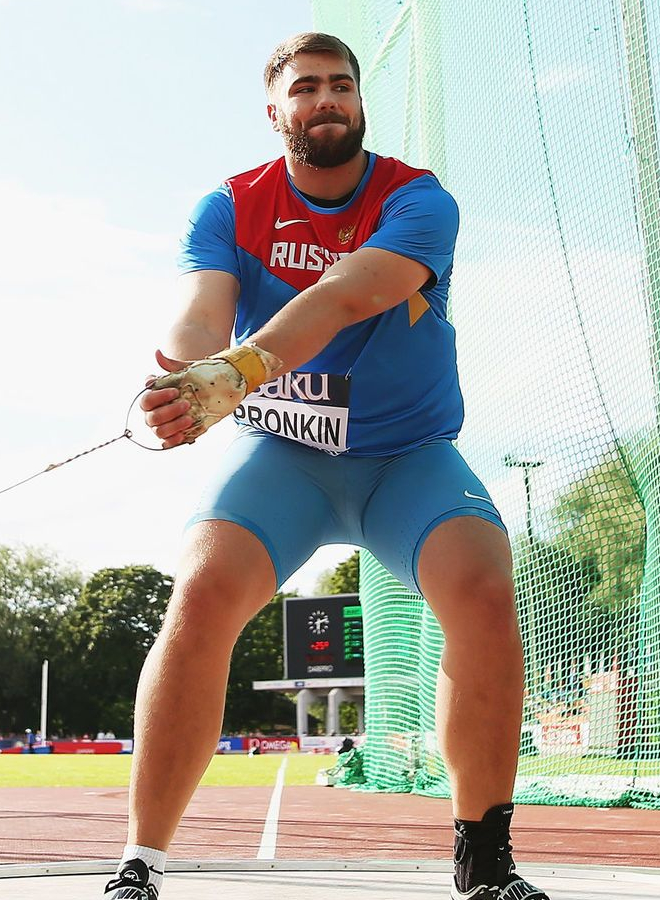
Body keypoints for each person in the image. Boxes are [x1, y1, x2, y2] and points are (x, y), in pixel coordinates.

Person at [104, 32, 544, 900]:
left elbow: (349, 294)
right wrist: (193, 376)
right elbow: (200, 313)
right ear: (277, 112)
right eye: (306, 88)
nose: (329, 99)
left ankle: (484, 863)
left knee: (485, 593)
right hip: (285, 458)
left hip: (406, 458)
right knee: (197, 596)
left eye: (342, 85)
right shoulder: (229, 206)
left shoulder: (417, 198)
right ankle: (140, 863)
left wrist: (243, 370)